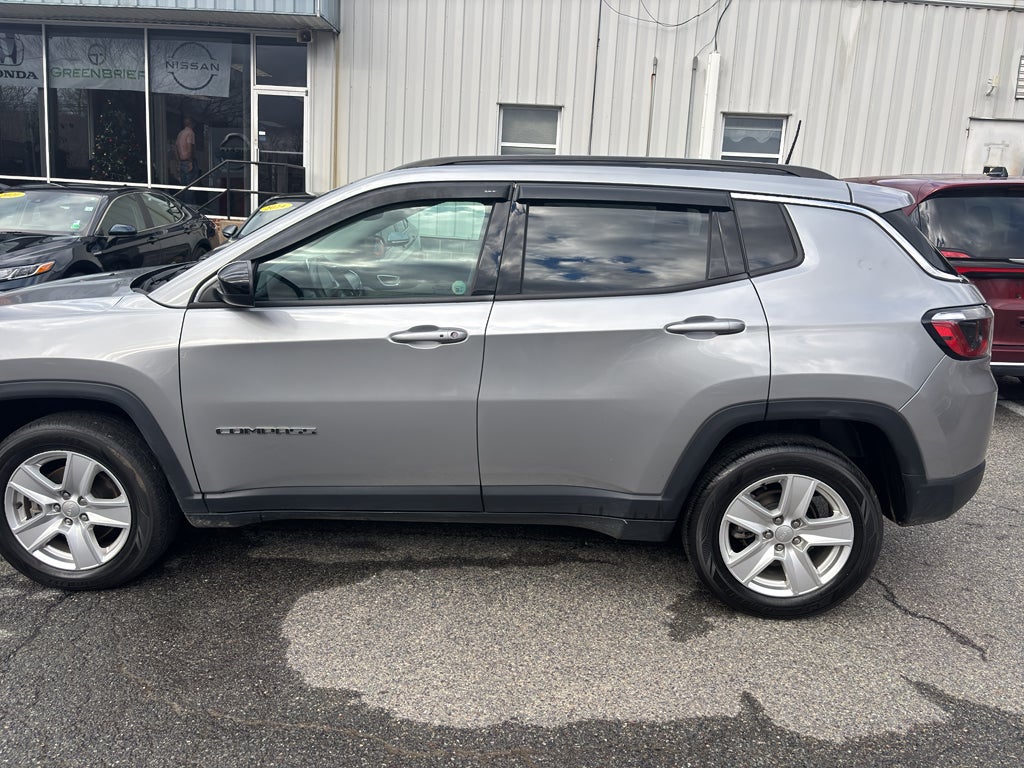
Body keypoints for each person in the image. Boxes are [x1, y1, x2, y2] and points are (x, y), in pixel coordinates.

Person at [175, 116, 196, 187]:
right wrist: (190, 162)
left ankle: (182, 198)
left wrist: (178, 161)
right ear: (192, 124)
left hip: (181, 161)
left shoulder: (180, 133)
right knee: (190, 186)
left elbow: (176, 148)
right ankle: (188, 198)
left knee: (183, 186)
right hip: (188, 161)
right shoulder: (190, 133)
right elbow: (190, 147)